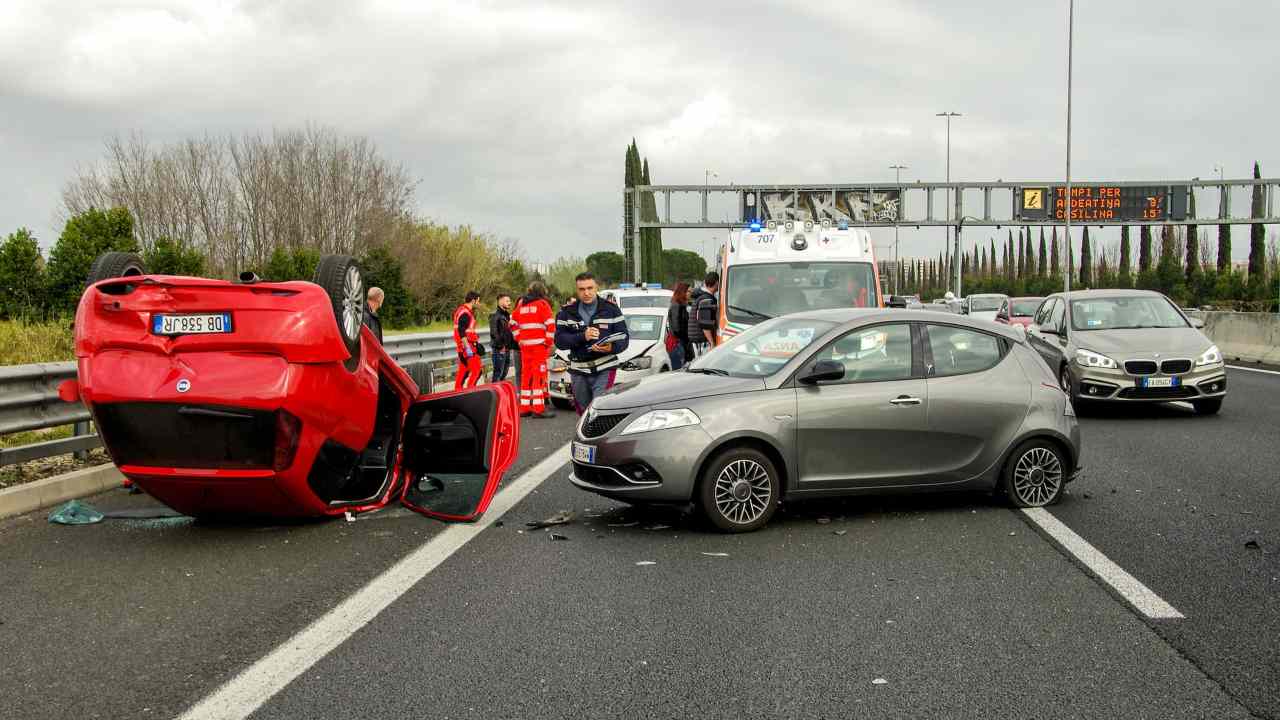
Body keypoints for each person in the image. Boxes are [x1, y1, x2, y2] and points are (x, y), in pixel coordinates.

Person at [555, 272, 629, 415]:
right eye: (582, 289)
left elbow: (624, 338)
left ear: (597, 288)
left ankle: (601, 437)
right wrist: (583, 336)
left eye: (590, 288)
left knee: (600, 408)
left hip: (605, 368)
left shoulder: (611, 309)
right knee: (584, 412)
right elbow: (560, 341)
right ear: (577, 290)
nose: (586, 293)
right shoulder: (566, 313)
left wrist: (611, 347)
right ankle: (585, 436)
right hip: (578, 369)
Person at [512, 282, 556, 417]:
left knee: (526, 376)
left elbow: (512, 323)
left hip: (525, 347)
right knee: (539, 376)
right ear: (542, 291)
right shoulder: (542, 304)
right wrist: (548, 342)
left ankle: (524, 408)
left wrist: (519, 339)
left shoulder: (522, 305)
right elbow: (550, 324)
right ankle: (538, 409)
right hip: (539, 347)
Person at [452, 290, 485, 390]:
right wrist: (467, 348)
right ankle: (471, 391)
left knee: (463, 370)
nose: (478, 304)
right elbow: (461, 331)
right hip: (467, 346)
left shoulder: (461, 310)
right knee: (477, 370)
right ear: (473, 301)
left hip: (463, 346)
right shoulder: (465, 313)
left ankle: (458, 391)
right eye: (478, 301)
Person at [488, 293, 515, 383]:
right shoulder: (494, 315)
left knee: (504, 373)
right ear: (500, 301)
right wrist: (501, 346)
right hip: (499, 349)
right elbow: (494, 333)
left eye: (509, 301)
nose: (509, 303)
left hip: (506, 348)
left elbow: (508, 332)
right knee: (497, 374)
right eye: (507, 301)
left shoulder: (506, 315)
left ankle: (500, 394)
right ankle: (494, 395)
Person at [666, 282, 693, 370]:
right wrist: (687, 336)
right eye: (688, 291)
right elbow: (677, 328)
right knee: (678, 372)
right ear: (682, 292)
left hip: (680, 343)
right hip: (677, 344)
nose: (690, 294)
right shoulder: (676, 306)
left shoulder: (681, 306)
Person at [693, 271, 720, 349]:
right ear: (717, 283)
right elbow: (705, 325)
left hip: (700, 340)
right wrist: (711, 342)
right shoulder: (706, 299)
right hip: (704, 342)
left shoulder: (703, 296)